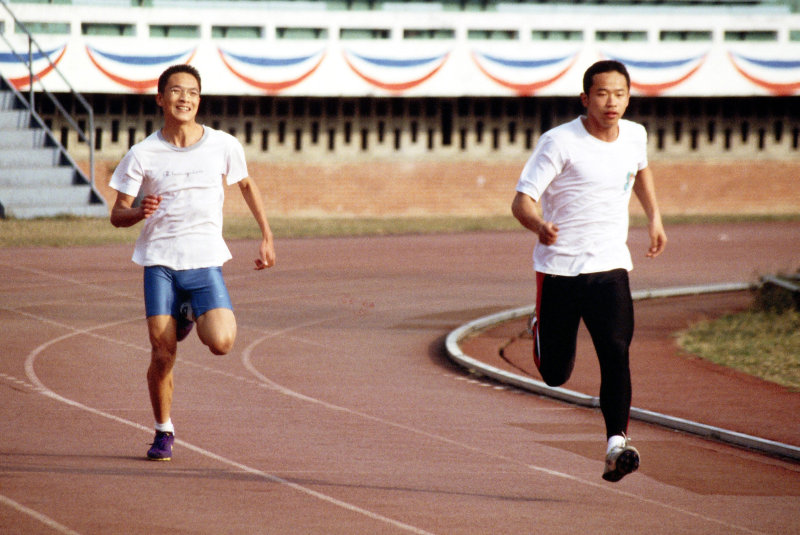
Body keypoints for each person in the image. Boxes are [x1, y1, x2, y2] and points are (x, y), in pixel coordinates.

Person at [109, 64, 276, 461]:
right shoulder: (142, 154)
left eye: (193, 92)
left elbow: (247, 186)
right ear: (160, 99)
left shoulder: (223, 145)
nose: (185, 98)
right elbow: (117, 213)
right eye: (177, 91)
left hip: (204, 262)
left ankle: (187, 315)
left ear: (199, 100)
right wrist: (138, 212)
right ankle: (163, 430)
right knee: (162, 353)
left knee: (221, 342)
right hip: (160, 263)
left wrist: (267, 236)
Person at [511, 60, 667, 482]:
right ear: (585, 98)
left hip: (610, 267)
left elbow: (640, 169)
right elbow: (521, 201)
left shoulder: (635, 135)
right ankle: (539, 325)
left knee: (616, 352)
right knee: (555, 374)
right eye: (602, 93)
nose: (611, 101)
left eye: (619, 93)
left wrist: (654, 216)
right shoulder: (558, 142)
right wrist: (539, 225)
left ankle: (617, 443)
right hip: (559, 270)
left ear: (628, 97)